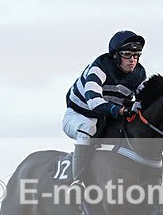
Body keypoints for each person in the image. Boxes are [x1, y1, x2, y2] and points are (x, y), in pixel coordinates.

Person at [63, 30, 148, 188]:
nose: (133, 60)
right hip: (80, 115)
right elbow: (94, 102)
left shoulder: (139, 74)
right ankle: (78, 181)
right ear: (115, 55)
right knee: (88, 127)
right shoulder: (99, 67)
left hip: (107, 118)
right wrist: (122, 110)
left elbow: (145, 101)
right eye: (127, 55)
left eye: (136, 55)